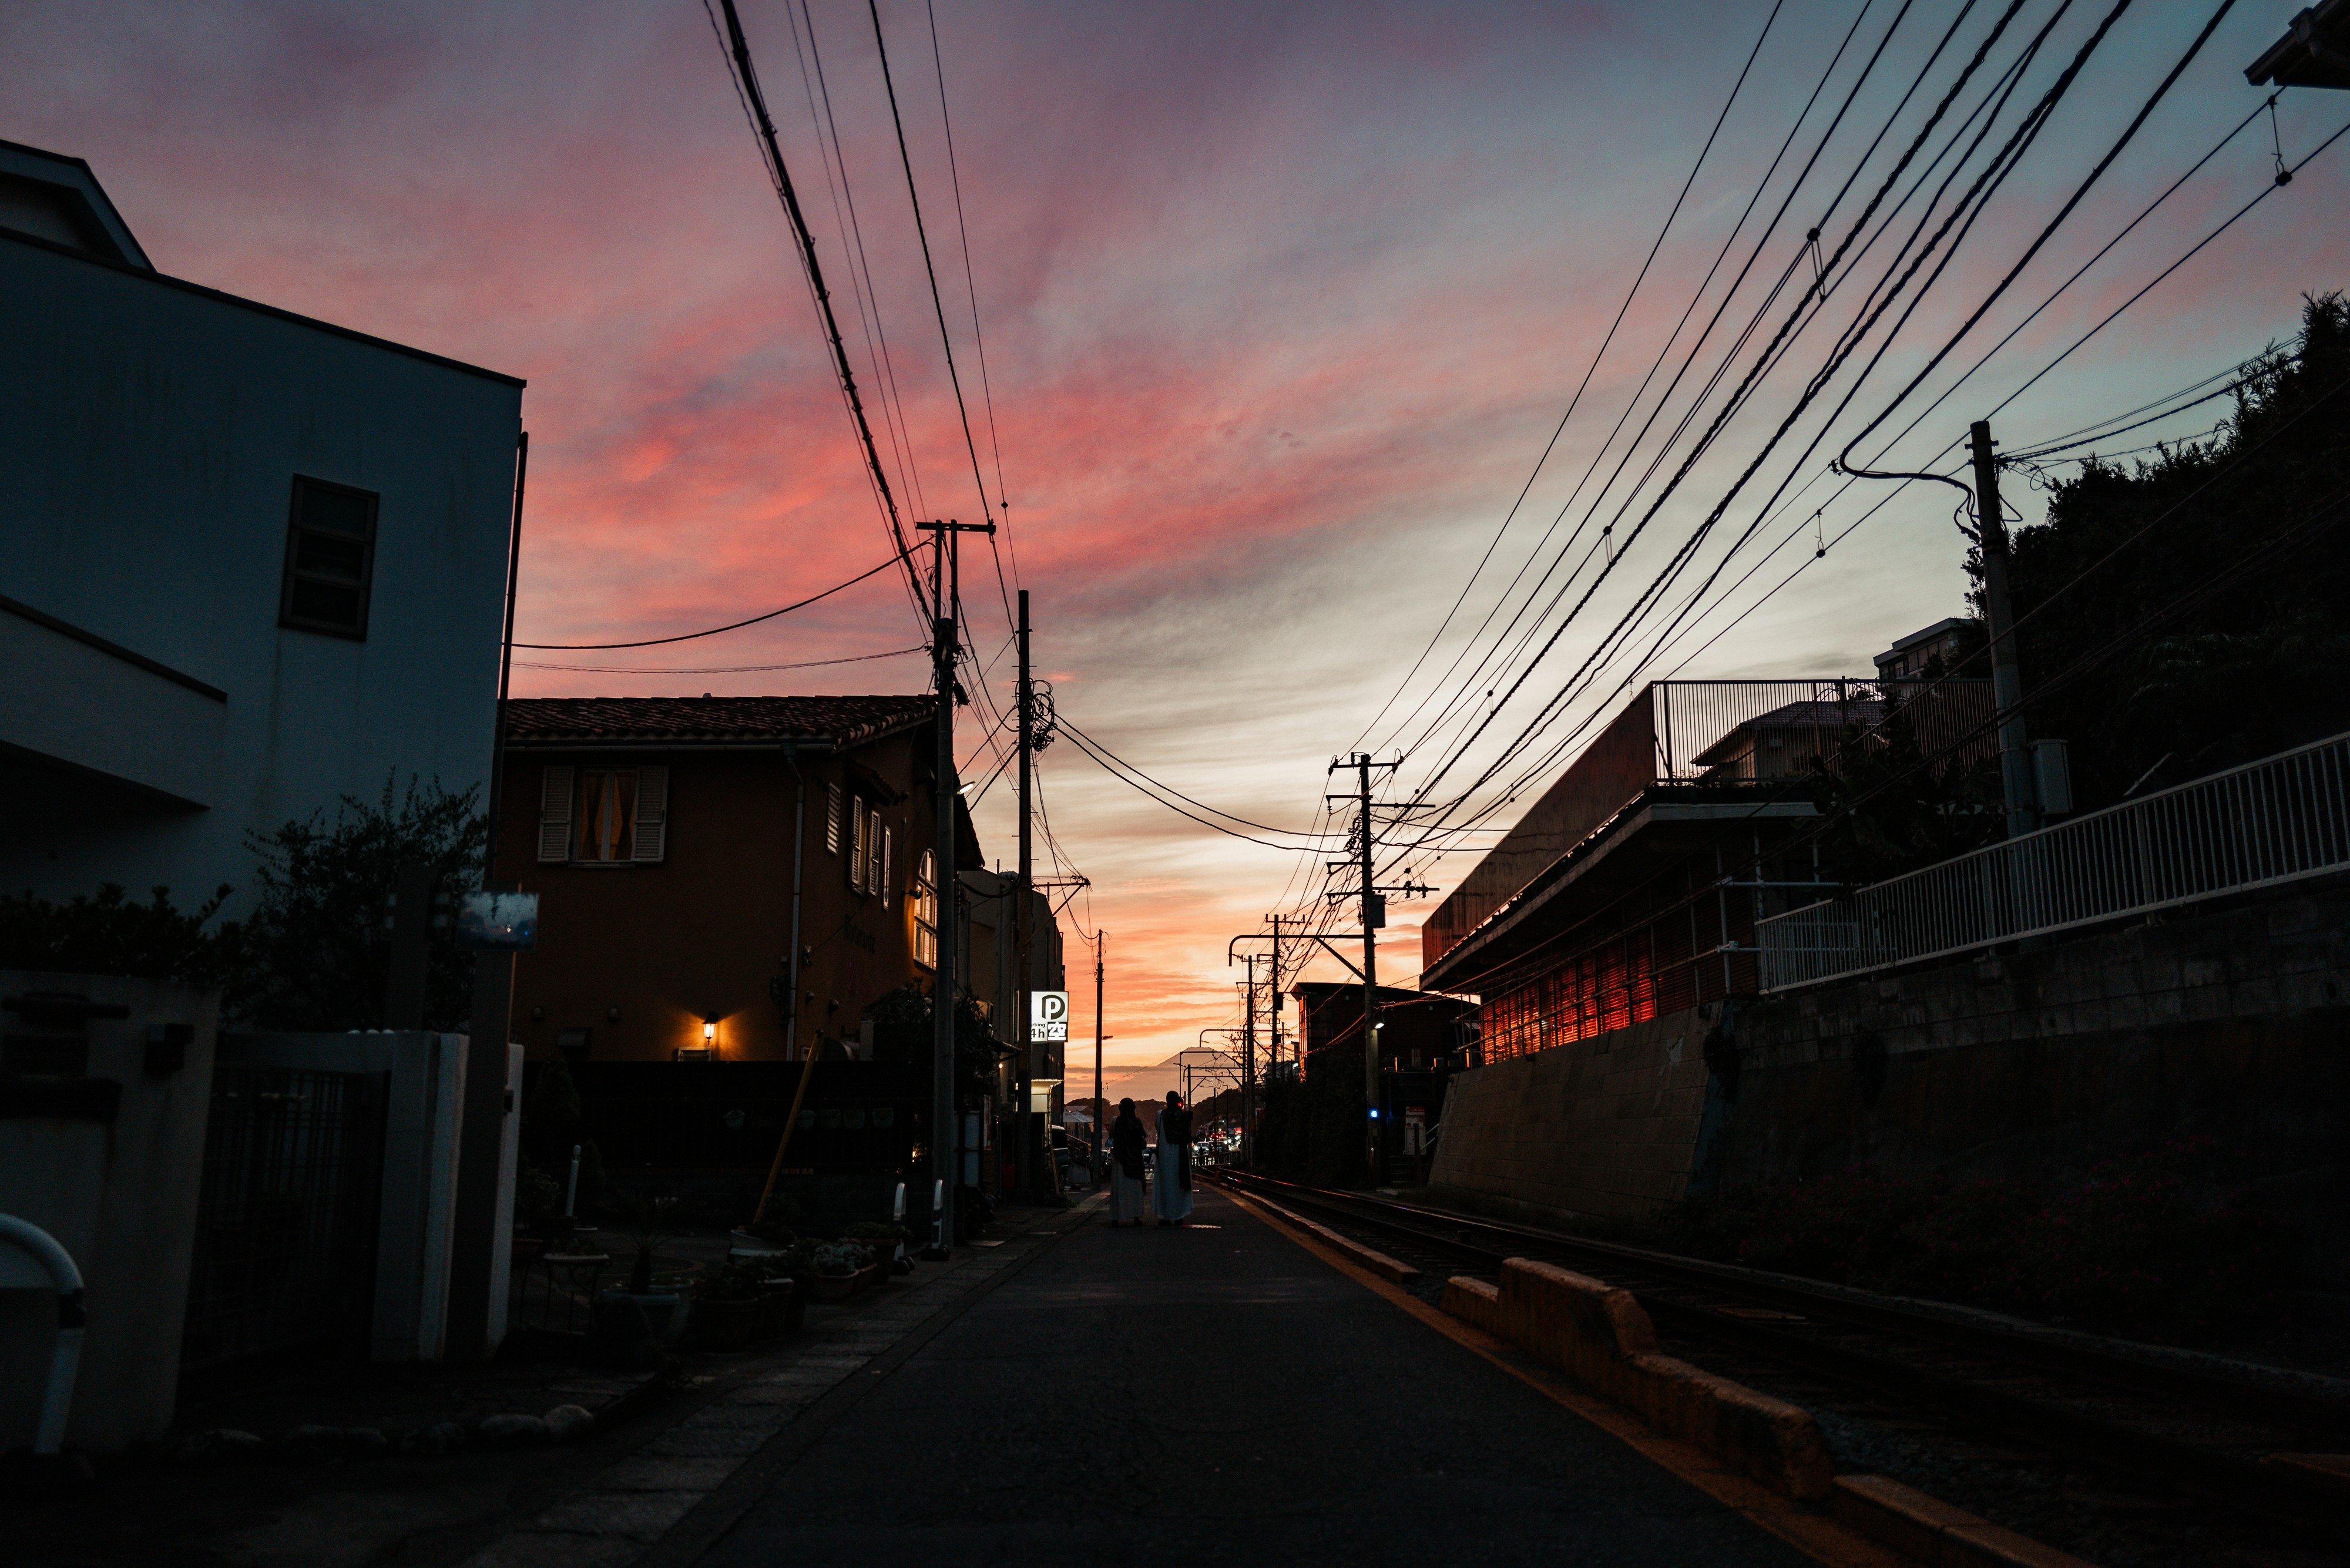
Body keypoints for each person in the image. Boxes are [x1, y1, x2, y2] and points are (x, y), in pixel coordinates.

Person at [1152, 1090, 1194, 1227]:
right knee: (1179, 1184)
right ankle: (1179, 1216)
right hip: (1180, 1153)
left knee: (1165, 1185)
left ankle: (1165, 1216)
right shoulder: (1183, 1117)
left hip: (1165, 1155)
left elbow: (1158, 1129)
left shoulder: (1160, 1115)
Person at [1109, 1099, 1147, 1226]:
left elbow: (1112, 1135)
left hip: (1120, 1159)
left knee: (1119, 1189)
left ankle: (1116, 1217)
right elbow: (1142, 1140)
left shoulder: (1116, 1121)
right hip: (1135, 1160)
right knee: (1135, 1190)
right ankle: (1136, 1216)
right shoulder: (1137, 1122)